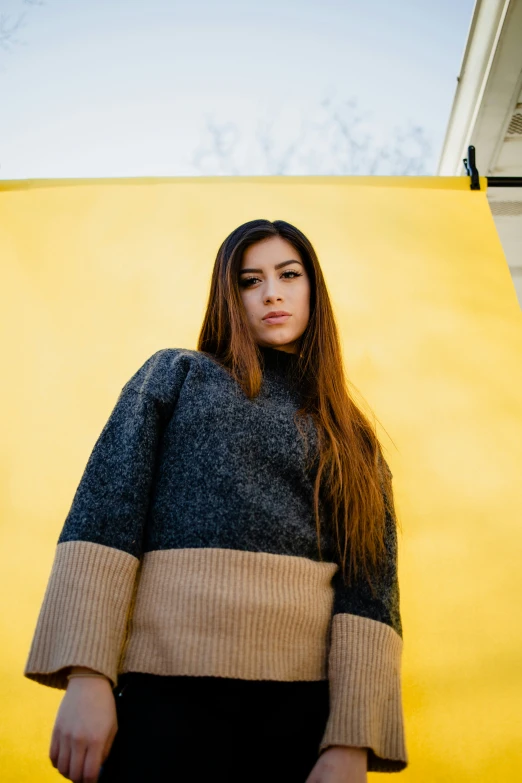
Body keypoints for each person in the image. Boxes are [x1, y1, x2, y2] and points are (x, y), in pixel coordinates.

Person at [23, 218, 408, 783]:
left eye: (288, 274)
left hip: (301, 716)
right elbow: (105, 512)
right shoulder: (176, 375)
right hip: (162, 699)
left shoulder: (352, 436)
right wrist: (88, 677)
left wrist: (351, 741)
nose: (271, 292)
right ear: (229, 297)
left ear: (313, 290)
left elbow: (372, 586)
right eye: (250, 281)